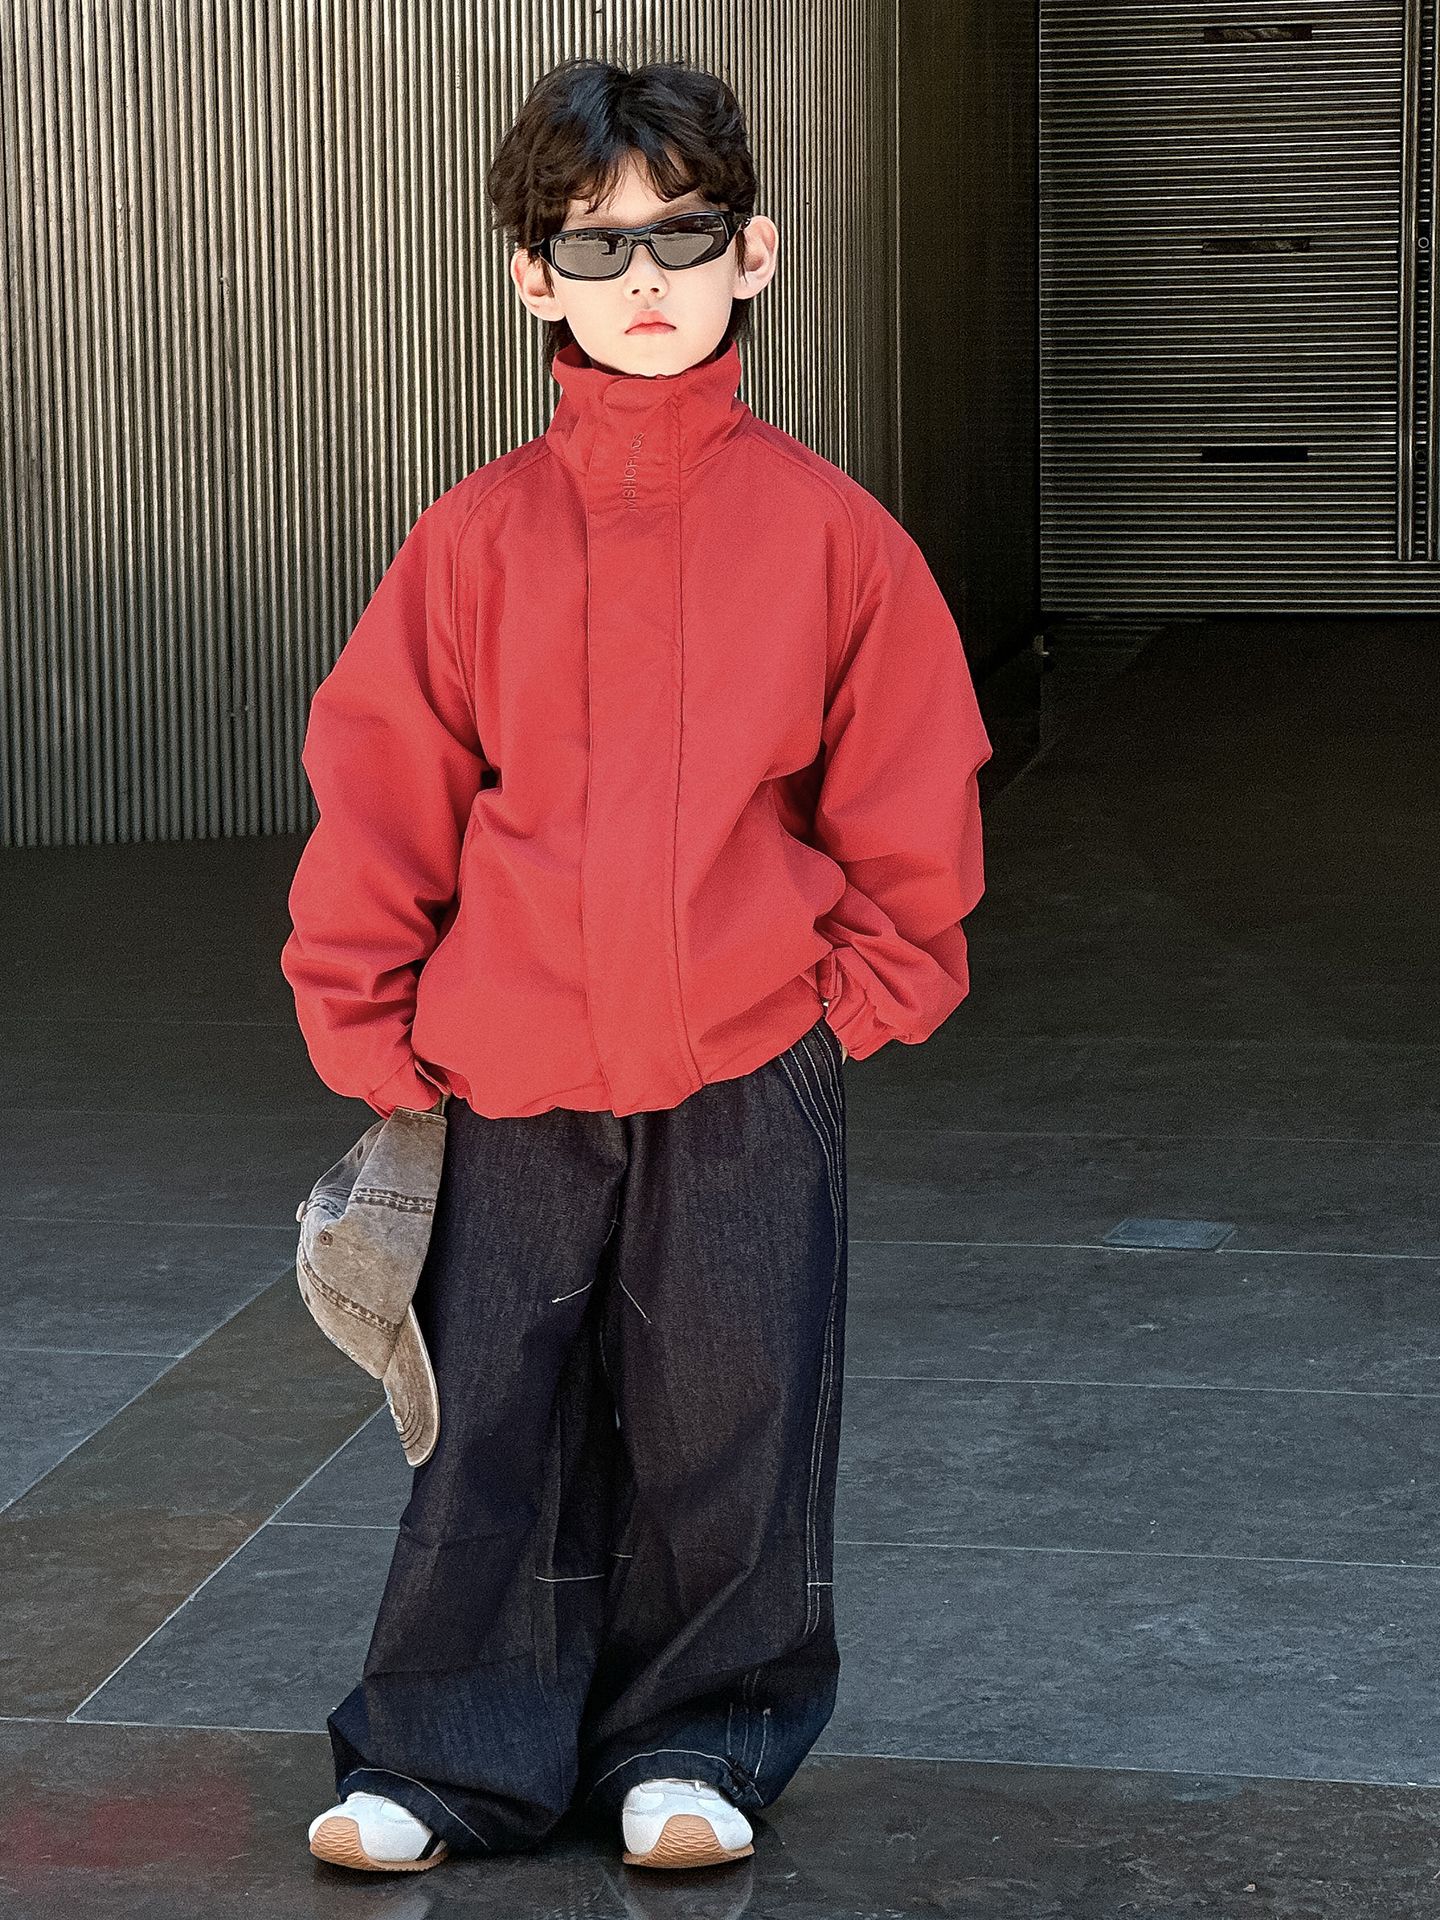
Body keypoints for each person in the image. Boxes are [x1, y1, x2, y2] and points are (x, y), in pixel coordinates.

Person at [282, 52, 991, 1876]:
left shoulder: (833, 536)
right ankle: (445, 1759)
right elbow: (385, 786)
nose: (644, 279)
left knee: (735, 1410)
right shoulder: (474, 541)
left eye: (681, 234)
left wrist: (854, 993)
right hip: (510, 1059)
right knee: (488, 1421)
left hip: (749, 1056)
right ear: (533, 278)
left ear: (755, 251)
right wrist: (369, 1015)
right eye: (594, 246)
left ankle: (702, 1744)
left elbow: (910, 785)